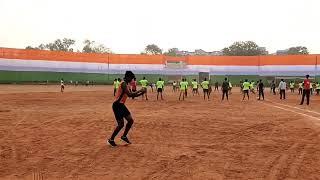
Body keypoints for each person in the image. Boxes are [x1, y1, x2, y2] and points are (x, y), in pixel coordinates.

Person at [108, 71, 146, 147]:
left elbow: (132, 95)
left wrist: (141, 93)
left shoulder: (127, 84)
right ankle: (111, 139)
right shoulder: (124, 84)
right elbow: (130, 94)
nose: (132, 80)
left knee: (130, 120)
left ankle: (124, 136)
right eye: (131, 78)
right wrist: (140, 91)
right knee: (121, 124)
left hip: (121, 105)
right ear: (128, 77)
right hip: (117, 105)